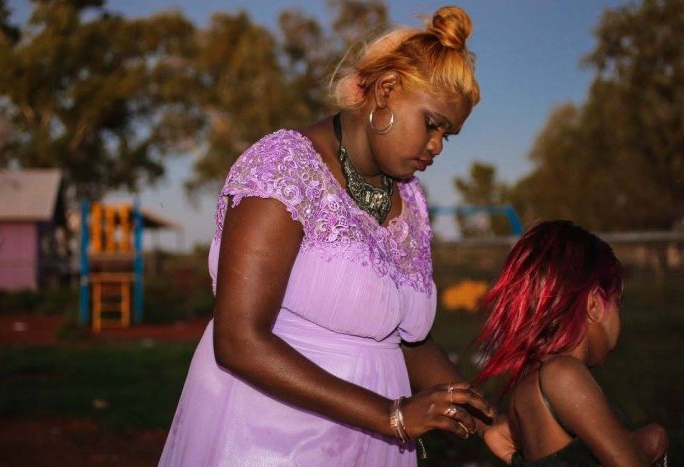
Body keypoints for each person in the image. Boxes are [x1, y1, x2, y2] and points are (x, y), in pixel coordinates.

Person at [160, 6, 500, 466]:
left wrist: (485, 423)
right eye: (433, 124)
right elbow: (238, 340)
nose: (437, 146)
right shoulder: (284, 167)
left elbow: (408, 341)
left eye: (448, 135)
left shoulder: (412, 200)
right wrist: (392, 415)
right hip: (273, 440)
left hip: (372, 445)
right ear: (386, 91)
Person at [475, 220, 668, 466]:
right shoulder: (563, 375)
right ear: (595, 304)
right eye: (618, 302)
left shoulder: (530, 380)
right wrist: (650, 443)